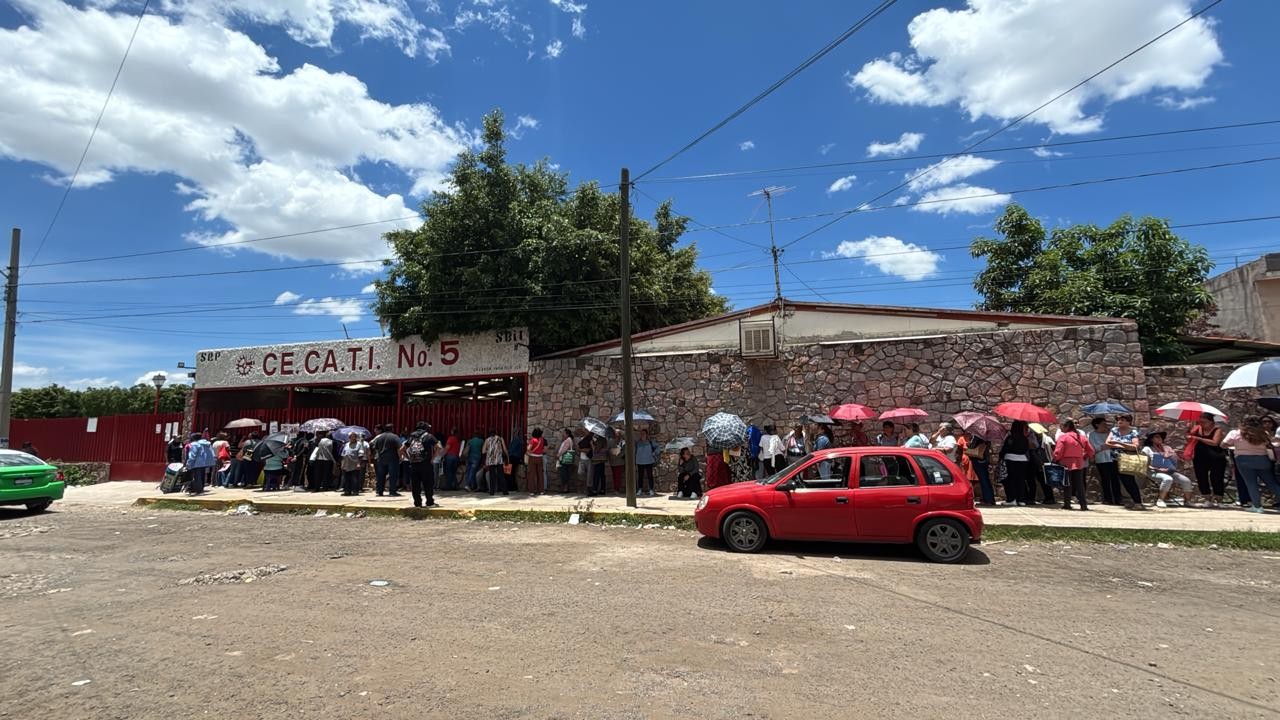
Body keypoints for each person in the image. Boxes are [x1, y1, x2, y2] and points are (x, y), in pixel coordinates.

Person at [1223, 417, 1280, 514]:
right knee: (1271, 483)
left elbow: (1223, 444)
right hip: (1263, 460)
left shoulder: (1235, 433)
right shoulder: (1263, 434)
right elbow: (1269, 445)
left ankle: (1257, 506)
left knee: (1251, 483)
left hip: (1243, 460)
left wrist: (1237, 446)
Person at [1141, 431, 1193, 508]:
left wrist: (1173, 455)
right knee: (1168, 479)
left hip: (1169, 471)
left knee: (1186, 481)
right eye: (1157, 437)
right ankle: (1160, 500)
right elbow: (1143, 463)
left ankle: (1187, 501)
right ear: (1151, 439)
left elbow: (1177, 462)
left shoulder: (1167, 448)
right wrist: (1154, 468)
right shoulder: (1147, 449)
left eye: (1160, 437)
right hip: (1153, 471)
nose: (1160, 438)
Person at [1186, 413, 1228, 506]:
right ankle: (1207, 499)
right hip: (1200, 457)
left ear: (1211, 422)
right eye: (1200, 422)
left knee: (1216, 478)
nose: (1202, 424)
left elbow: (1214, 442)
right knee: (1201, 477)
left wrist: (1197, 437)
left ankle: (1219, 499)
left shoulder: (1217, 430)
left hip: (1216, 457)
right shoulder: (1197, 428)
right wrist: (1189, 430)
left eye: (1204, 422)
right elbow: (1189, 439)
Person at [1106, 414, 1145, 508]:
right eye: (1118, 420)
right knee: (1114, 481)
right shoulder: (1114, 430)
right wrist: (1125, 445)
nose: (1120, 421)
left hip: (1126, 460)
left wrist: (1118, 443)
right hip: (1114, 459)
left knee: (1128, 481)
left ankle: (1138, 502)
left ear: (1128, 421)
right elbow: (1107, 443)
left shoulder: (1133, 432)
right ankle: (1117, 501)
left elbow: (1135, 446)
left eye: (1122, 420)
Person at [1053, 419, 1092, 511]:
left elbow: (1058, 452)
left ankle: (1067, 504)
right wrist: (1084, 457)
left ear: (1067, 427)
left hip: (1066, 463)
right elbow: (1091, 450)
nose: (1061, 428)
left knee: (1067, 484)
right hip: (1079, 463)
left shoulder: (1063, 438)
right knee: (1080, 485)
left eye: (1062, 426)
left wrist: (1055, 460)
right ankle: (1083, 504)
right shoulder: (1082, 437)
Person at [1087, 418, 1120, 505]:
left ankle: (1118, 499)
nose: (1106, 425)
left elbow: (1115, 444)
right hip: (1102, 459)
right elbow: (1094, 447)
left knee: (1115, 479)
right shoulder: (1092, 434)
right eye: (1103, 423)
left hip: (1113, 458)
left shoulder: (1110, 434)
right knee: (1105, 479)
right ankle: (1107, 498)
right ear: (1097, 425)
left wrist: (1107, 445)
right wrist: (1105, 446)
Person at [1000, 421, 1032, 506]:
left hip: (1011, 459)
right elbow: (1026, 449)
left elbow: (1005, 448)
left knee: (1011, 480)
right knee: (1021, 480)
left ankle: (1012, 499)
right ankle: (1021, 500)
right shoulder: (1025, 438)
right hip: (1023, 460)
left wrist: (1001, 456)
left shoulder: (1010, 438)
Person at [405, 422, 437, 508]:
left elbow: (401, 449)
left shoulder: (411, 436)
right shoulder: (429, 436)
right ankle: (429, 502)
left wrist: (408, 458)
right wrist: (433, 458)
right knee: (428, 484)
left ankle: (417, 503)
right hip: (426, 464)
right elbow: (439, 447)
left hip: (414, 465)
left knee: (415, 485)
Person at [370, 424, 403, 497]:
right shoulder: (395, 437)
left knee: (381, 475)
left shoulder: (380, 437)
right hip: (392, 458)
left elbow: (375, 447)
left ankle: (379, 491)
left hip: (381, 459)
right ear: (392, 429)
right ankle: (392, 491)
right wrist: (401, 457)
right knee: (393, 475)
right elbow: (399, 448)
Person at [965, 432, 995, 506]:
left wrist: (969, 443)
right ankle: (990, 499)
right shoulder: (987, 437)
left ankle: (988, 500)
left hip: (978, 459)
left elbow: (972, 446)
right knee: (986, 479)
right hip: (984, 459)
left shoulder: (977, 436)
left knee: (983, 480)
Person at [632, 428, 660, 496]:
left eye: (643, 434)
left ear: (646, 434)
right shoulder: (637, 443)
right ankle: (640, 489)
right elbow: (634, 451)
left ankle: (651, 489)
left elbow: (657, 447)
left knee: (650, 476)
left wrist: (654, 453)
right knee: (640, 476)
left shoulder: (651, 442)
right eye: (641, 434)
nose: (642, 435)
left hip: (649, 461)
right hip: (640, 461)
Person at [339, 431, 367, 496]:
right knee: (346, 478)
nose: (352, 438)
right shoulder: (346, 444)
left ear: (356, 437)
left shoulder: (359, 444)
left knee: (355, 478)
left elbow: (361, 454)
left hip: (354, 464)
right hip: (346, 464)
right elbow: (343, 454)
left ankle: (355, 491)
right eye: (351, 437)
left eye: (353, 436)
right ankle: (347, 491)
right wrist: (342, 463)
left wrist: (359, 463)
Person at [482, 428, 508, 496]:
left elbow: (483, 451)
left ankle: (492, 492)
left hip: (491, 460)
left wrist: (489, 451)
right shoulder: (500, 438)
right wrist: (507, 456)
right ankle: (504, 491)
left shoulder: (487, 440)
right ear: (495, 433)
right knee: (501, 475)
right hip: (499, 460)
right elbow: (504, 449)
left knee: (492, 476)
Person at [526, 428, 546, 494]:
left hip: (532, 458)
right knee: (540, 474)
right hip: (540, 458)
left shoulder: (533, 440)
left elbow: (528, 449)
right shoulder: (542, 440)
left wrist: (530, 451)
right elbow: (544, 449)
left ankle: (532, 491)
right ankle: (541, 490)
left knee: (532, 474)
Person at [588, 431, 607, 497]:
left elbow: (595, 450)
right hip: (602, 459)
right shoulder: (603, 438)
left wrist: (592, 444)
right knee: (602, 474)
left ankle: (595, 490)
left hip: (597, 459)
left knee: (596, 475)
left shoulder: (599, 439)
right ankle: (602, 489)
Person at [556, 428, 575, 492]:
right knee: (565, 473)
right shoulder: (568, 440)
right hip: (566, 460)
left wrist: (558, 455)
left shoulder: (568, 440)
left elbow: (565, 449)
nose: (562, 434)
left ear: (567, 434)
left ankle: (565, 488)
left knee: (564, 473)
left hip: (564, 460)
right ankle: (565, 487)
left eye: (564, 433)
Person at [607, 428, 625, 493]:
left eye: (618, 433)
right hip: (612, 461)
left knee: (618, 476)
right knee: (614, 475)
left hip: (619, 461)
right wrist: (612, 452)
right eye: (615, 433)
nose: (617, 435)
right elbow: (608, 449)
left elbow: (624, 451)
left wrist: (618, 455)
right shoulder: (610, 441)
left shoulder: (623, 442)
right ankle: (615, 488)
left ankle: (617, 489)